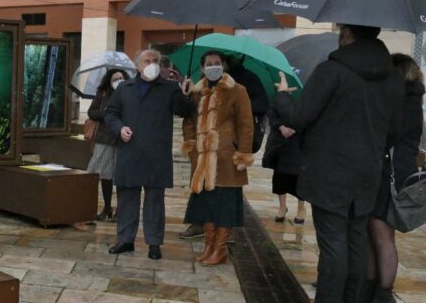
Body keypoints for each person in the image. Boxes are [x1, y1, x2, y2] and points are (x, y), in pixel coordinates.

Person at [273, 24, 403, 303]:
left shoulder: (332, 70)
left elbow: (299, 116)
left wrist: (280, 97)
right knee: (355, 242)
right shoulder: (392, 78)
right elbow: (395, 131)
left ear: (346, 34)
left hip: (330, 172)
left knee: (333, 245)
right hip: (367, 173)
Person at [105, 49, 194, 260]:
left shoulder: (170, 88)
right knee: (127, 198)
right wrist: (119, 128)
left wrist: (186, 94)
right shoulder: (124, 88)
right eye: (147, 61)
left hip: (157, 153)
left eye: (155, 61)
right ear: (137, 66)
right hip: (130, 151)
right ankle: (125, 240)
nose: (152, 64)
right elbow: (111, 113)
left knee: (155, 201)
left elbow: (184, 111)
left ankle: (154, 243)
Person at [360, 53, 424, 303]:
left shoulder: (406, 102)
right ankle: (372, 292)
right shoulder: (407, 99)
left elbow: (391, 136)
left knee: (382, 235)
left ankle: (384, 295)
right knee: (372, 233)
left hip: (393, 175)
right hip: (385, 172)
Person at [179, 53, 269, 240]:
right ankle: (209, 241)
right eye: (209, 64)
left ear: (224, 65)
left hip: (227, 154)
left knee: (225, 197)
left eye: (217, 64)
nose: (214, 67)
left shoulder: (237, 90)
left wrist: (244, 154)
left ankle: (221, 243)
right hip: (202, 155)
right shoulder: (197, 91)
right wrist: (190, 144)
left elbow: (246, 125)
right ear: (203, 68)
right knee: (204, 196)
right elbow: (189, 120)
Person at [84, 69, 127, 222]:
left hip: (123, 139)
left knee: (121, 175)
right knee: (104, 174)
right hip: (104, 139)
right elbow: (91, 112)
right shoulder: (103, 93)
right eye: (115, 78)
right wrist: (107, 113)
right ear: (109, 81)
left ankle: (120, 209)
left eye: (121, 78)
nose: (118, 81)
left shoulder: (129, 93)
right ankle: (107, 206)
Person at [262, 108, 307, 225]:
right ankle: (282, 207)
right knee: (280, 175)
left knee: (299, 176)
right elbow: (271, 111)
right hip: (281, 139)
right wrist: (280, 126)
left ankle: (301, 209)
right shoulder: (280, 92)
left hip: (301, 139)